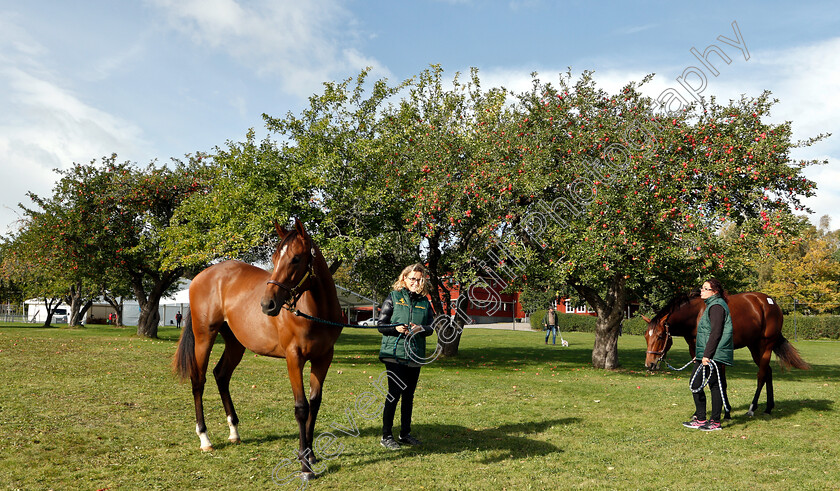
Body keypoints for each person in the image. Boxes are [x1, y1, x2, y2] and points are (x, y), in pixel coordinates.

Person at [377, 263, 435, 450]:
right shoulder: (393, 298)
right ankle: (386, 436)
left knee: (408, 396)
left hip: (415, 355)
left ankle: (405, 433)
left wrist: (421, 329)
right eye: (412, 279)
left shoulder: (425, 302)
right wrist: (395, 328)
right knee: (394, 394)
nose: (416, 283)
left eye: (419, 279)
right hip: (394, 354)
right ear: (404, 279)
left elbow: (431, 327)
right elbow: (381, 325)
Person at [683, 278, 733, 431]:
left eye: (705, 288)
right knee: (695, 383)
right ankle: (701, 418)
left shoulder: (717, 306)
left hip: (713, 354)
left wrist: (707, 355)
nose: (701, 291)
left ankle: (715, 422)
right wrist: (700, 354)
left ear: (715, 292)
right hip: (706, 354)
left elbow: (716, 333)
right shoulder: (711, 305)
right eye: (702, 288)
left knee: (714, 385)